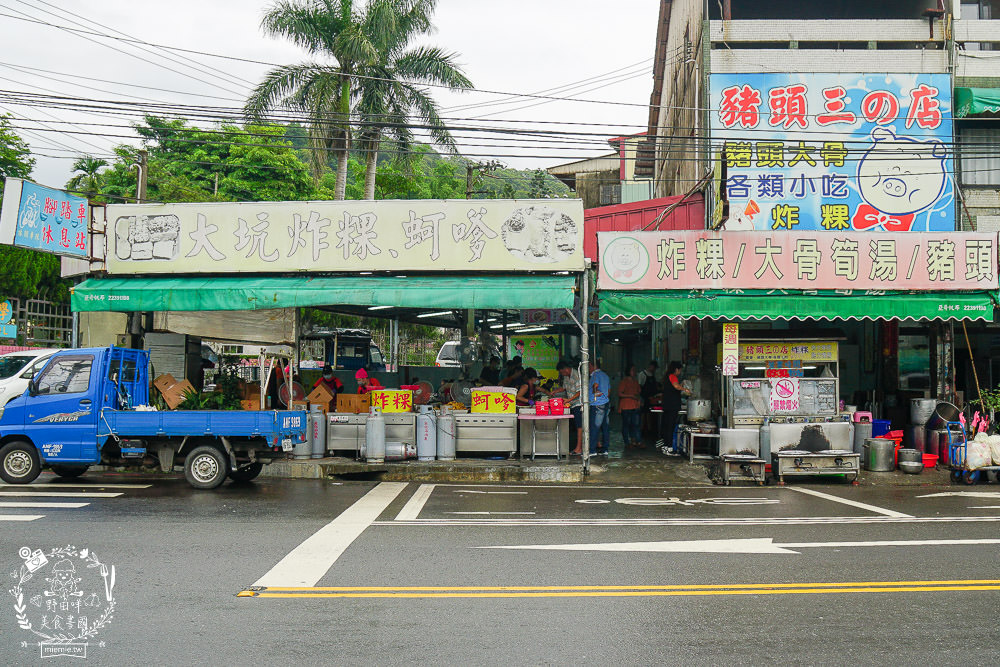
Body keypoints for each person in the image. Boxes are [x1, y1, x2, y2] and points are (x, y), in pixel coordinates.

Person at [659, 361, 692, 452]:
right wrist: (685, 389)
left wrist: (681, 385)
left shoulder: (667, 377)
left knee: (667, 425)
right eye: (680, 370)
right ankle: (669, 447)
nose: (680, 372)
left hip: (667, 405)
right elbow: (676, 386)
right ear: (676, 369)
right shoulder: (673, 376)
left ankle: (666, 446)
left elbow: (676, 386)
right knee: (670, 426)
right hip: (672, 405)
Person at [557, 360, 583, 455]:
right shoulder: (566, 376)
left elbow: (579, 392)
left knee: (580, 426)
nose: (562, 374)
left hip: (578, 404)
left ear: (566, 369)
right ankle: (577, 447)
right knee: (576, 426)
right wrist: (555, 392)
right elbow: (564, 388)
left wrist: (568, 400)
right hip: (572, 404)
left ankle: (579, 448)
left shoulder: (576, 375)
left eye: (562, 372)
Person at [589, 359, 611, 456]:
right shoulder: (605, 375)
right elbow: (609, 391)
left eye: (589, 366)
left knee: (595, 426)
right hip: (606, 403)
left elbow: (595, 386)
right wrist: (604, 396)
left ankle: (592, 450)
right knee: (605, 426)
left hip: (597, 404)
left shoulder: (595, 375)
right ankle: (605, 449)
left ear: (592, 366)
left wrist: (595, 393)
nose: (588, 369)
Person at [617, 364, 642, 450]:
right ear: (628, 371)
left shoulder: (635, 382)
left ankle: (637, 441)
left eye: (635, 370)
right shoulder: (624, 382)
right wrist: (631, 396)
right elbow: (620, 393)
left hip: (635, 406)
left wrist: (639, 401)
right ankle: (627, 442)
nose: (634, 372)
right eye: (632, 370)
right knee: (626, 425)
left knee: (635, 425)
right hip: (626, 406)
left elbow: (638, 393)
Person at [638, 361, 662, 437]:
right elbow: (639, 387)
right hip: (644, 398)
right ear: (651, 366)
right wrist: (641, 398)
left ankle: (650, 430)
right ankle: (643, 430)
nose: (654, 370)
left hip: (652, 399)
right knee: (643, 414)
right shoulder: (642, 374)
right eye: (654, 368)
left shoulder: (653, 375)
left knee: (649, 414)